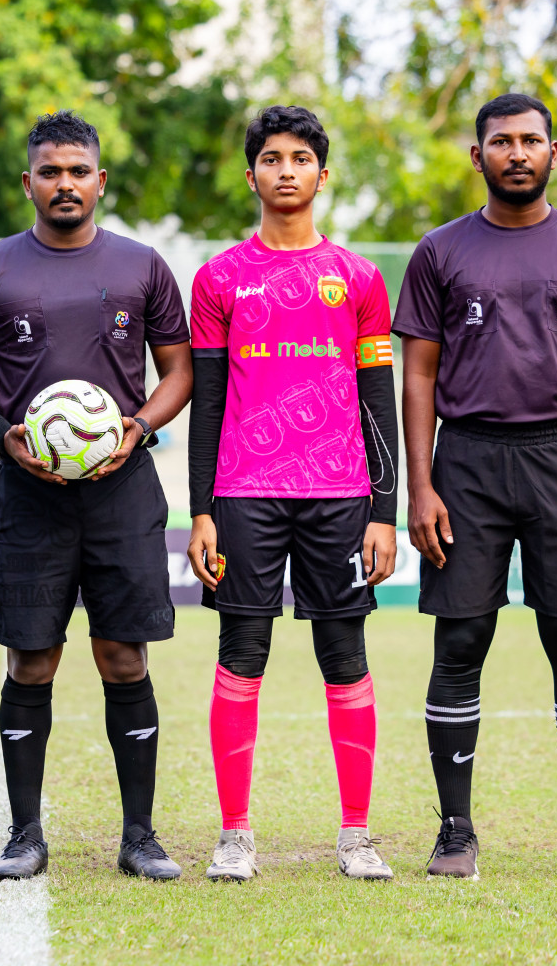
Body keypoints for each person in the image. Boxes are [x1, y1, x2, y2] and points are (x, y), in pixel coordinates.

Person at [395, 93, 557, 879]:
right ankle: (456, 831)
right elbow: (419, 375)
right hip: (466, 461)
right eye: (500, 141)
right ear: (478, 157)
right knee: (460, 640)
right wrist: (421, 486)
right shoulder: (440, 251)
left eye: (530, 140)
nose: (517, 153)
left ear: (553, 152)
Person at [0, 110, 192, 881]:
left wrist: (137, 429)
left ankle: (140, 836)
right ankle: (24, 835)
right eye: (50, 172)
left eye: (78, 171)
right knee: (32, 660)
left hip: (124, 492)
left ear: (100, 180)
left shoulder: (143, 266)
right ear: (28, 183)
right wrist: (0, 432)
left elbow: (179, 372)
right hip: (29, 491)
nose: (65, 184)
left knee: (124, 656)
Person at [186, 106, 400, 883]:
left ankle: (356, 835)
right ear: (252, 176)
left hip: (341, 496)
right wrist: (202, 509)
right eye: (271, 158)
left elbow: (379, 402)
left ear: (322, 173)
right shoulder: (218, 278)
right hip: (245, 494)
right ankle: (236, 835)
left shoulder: (362, 278)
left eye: (301, 157)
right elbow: (207, 401)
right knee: (242, 653)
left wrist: (385, 510)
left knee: (344, 655)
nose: (286, 170)